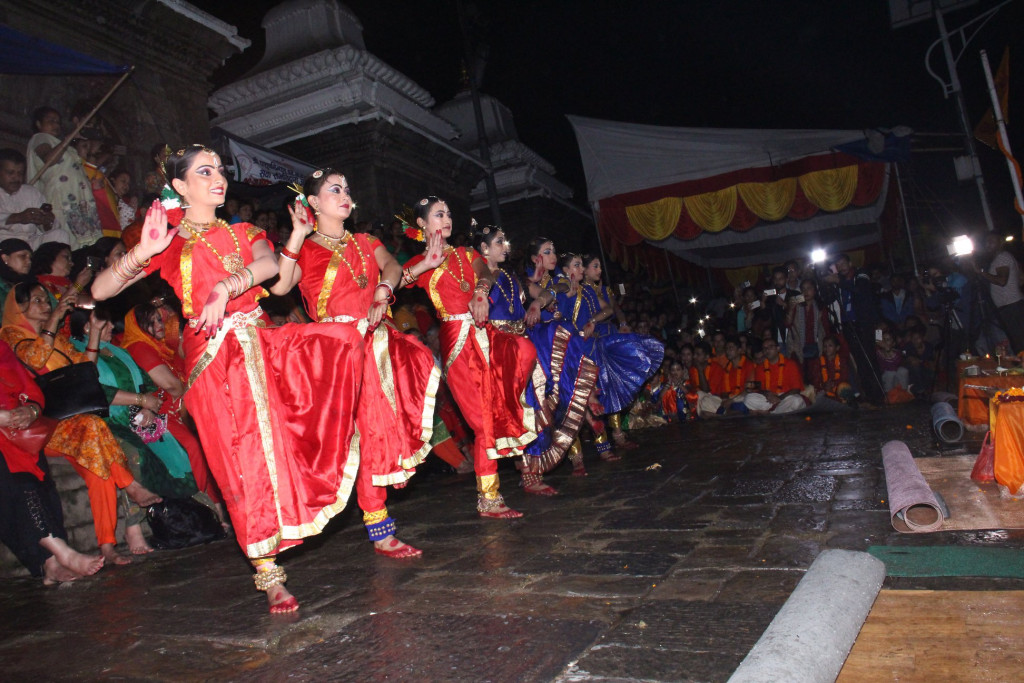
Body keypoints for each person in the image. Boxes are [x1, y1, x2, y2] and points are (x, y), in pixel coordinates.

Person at [91, 145, 366, 613]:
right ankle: (268, 571)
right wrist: (144, 250)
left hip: (260, 350)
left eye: (220, 169)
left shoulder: (244, 231)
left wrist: (225, 286)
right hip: (209, 366)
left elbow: (270, 270)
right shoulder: (168, 240)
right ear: (179, 186)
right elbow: (99, 291)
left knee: (333, 360)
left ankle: (310, 512)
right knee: (237, 463)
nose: (218, 178)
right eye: (204, 171)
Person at [272, 168, 439, 558]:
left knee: (375, 433)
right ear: (313, 203)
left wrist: (384, 288)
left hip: (375, 345)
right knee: (341, 442)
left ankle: (380, 528)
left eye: (347, 189)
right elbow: (279, 286)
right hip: (333, 355)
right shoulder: (308, 249)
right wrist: (295, 236)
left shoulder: (365, 240)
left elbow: (393, 267)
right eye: (334, 190)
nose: (345, 195)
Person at [1, 280, 163, 565]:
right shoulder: (12, 335)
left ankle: (107, 546)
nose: (45, 304)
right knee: (93, 426)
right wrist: (54, 319)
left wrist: (94, 335)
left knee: (97, 469)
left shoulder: (61, 340)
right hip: (44, 424)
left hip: (73, 425)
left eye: (45, 300)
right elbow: (36, 358)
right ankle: (131, 486)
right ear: (20, 307)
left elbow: (86, 370)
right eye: (37, 300)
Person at [402, 196, 539, 518]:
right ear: (422, 223)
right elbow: (394, 283)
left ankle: (512, 411)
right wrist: (427, 263)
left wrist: (480, 292)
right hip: (456, 338)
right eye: (438, 214)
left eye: (448, 213)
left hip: (484, 331)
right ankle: (489, 498)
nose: (446, 218)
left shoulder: (466, 253)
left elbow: (486, 274)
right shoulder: (418, 263)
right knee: (480, 419)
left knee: (524, 349)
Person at [68, 307, 216, 555]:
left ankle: (204, 513)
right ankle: (133, 527)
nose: (113, 329)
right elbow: (92, 389)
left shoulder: (118, 352)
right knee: (135, 455)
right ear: (87, 327)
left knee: (176, 448)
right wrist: (140, 400)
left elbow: (149, 384)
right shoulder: (75, 353)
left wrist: (149, 406)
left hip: (137, 418)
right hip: (104, 422)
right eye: (105, 325)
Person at [482, 227, 591, 494]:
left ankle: (531, 472)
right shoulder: (480, 277)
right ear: (484, 249)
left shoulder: (514, 278)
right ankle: (517, 477)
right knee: (518, 409)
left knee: (534, 405)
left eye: (505, 241)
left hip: (523, 348)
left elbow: (544, 294)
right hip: (498, 350)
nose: (505, 245)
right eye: (498, 242)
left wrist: (537, 303)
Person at [0, 338, 105, 583]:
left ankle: (51, 565)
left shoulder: (2, 348)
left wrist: (31, 411)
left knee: (42, 484)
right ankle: (62, 553)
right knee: (16, 483)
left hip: (18, 433)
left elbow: (31, 390)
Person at [25, 107, 101, 249]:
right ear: (39, 124)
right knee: (66, 242)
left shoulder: (63, 146)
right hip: (61, 201)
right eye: (51, 121)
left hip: (78, 202)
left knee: (82, 246)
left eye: (58, 122)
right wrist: (68, 139)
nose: (56, 125)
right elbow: (49, 159)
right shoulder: (40, 138)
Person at [0, 148, 71, 248]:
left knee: (60, 234)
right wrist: (18, 217)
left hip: (30, 242)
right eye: (10, 173)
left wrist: (47, 221)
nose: (16, 178)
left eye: (20, 173)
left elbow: (50, 226)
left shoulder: (31, 192)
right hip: (3, 244)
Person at [974, 232, 1024, 354]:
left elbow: (1002, 281)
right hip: (1013, 305)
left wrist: (980, 272)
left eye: (992, 241)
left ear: (1000, 242)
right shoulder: (1004, 257)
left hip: (1011, 306)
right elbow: (1021, 279)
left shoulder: (1002, 257)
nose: (988, 244)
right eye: (986, 241)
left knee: (1019, 342)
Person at [744, 338, 809, 414]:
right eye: (765, 348)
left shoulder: (790, 364)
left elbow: (796, 389)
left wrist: (779, 398)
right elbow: (759, 389)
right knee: (748, 398)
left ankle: (770, 412)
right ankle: (776, 412)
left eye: (770, 347)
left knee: (797, 400)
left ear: (778, 348)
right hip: (769, 399)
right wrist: (768, 394)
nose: (767, 350)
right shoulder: (760, 367)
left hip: (786, 397)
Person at [0, 238, 32, 319]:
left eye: (30, 258)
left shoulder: (33, 284)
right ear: (5, 258)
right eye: (22, 256)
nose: (29, 262)